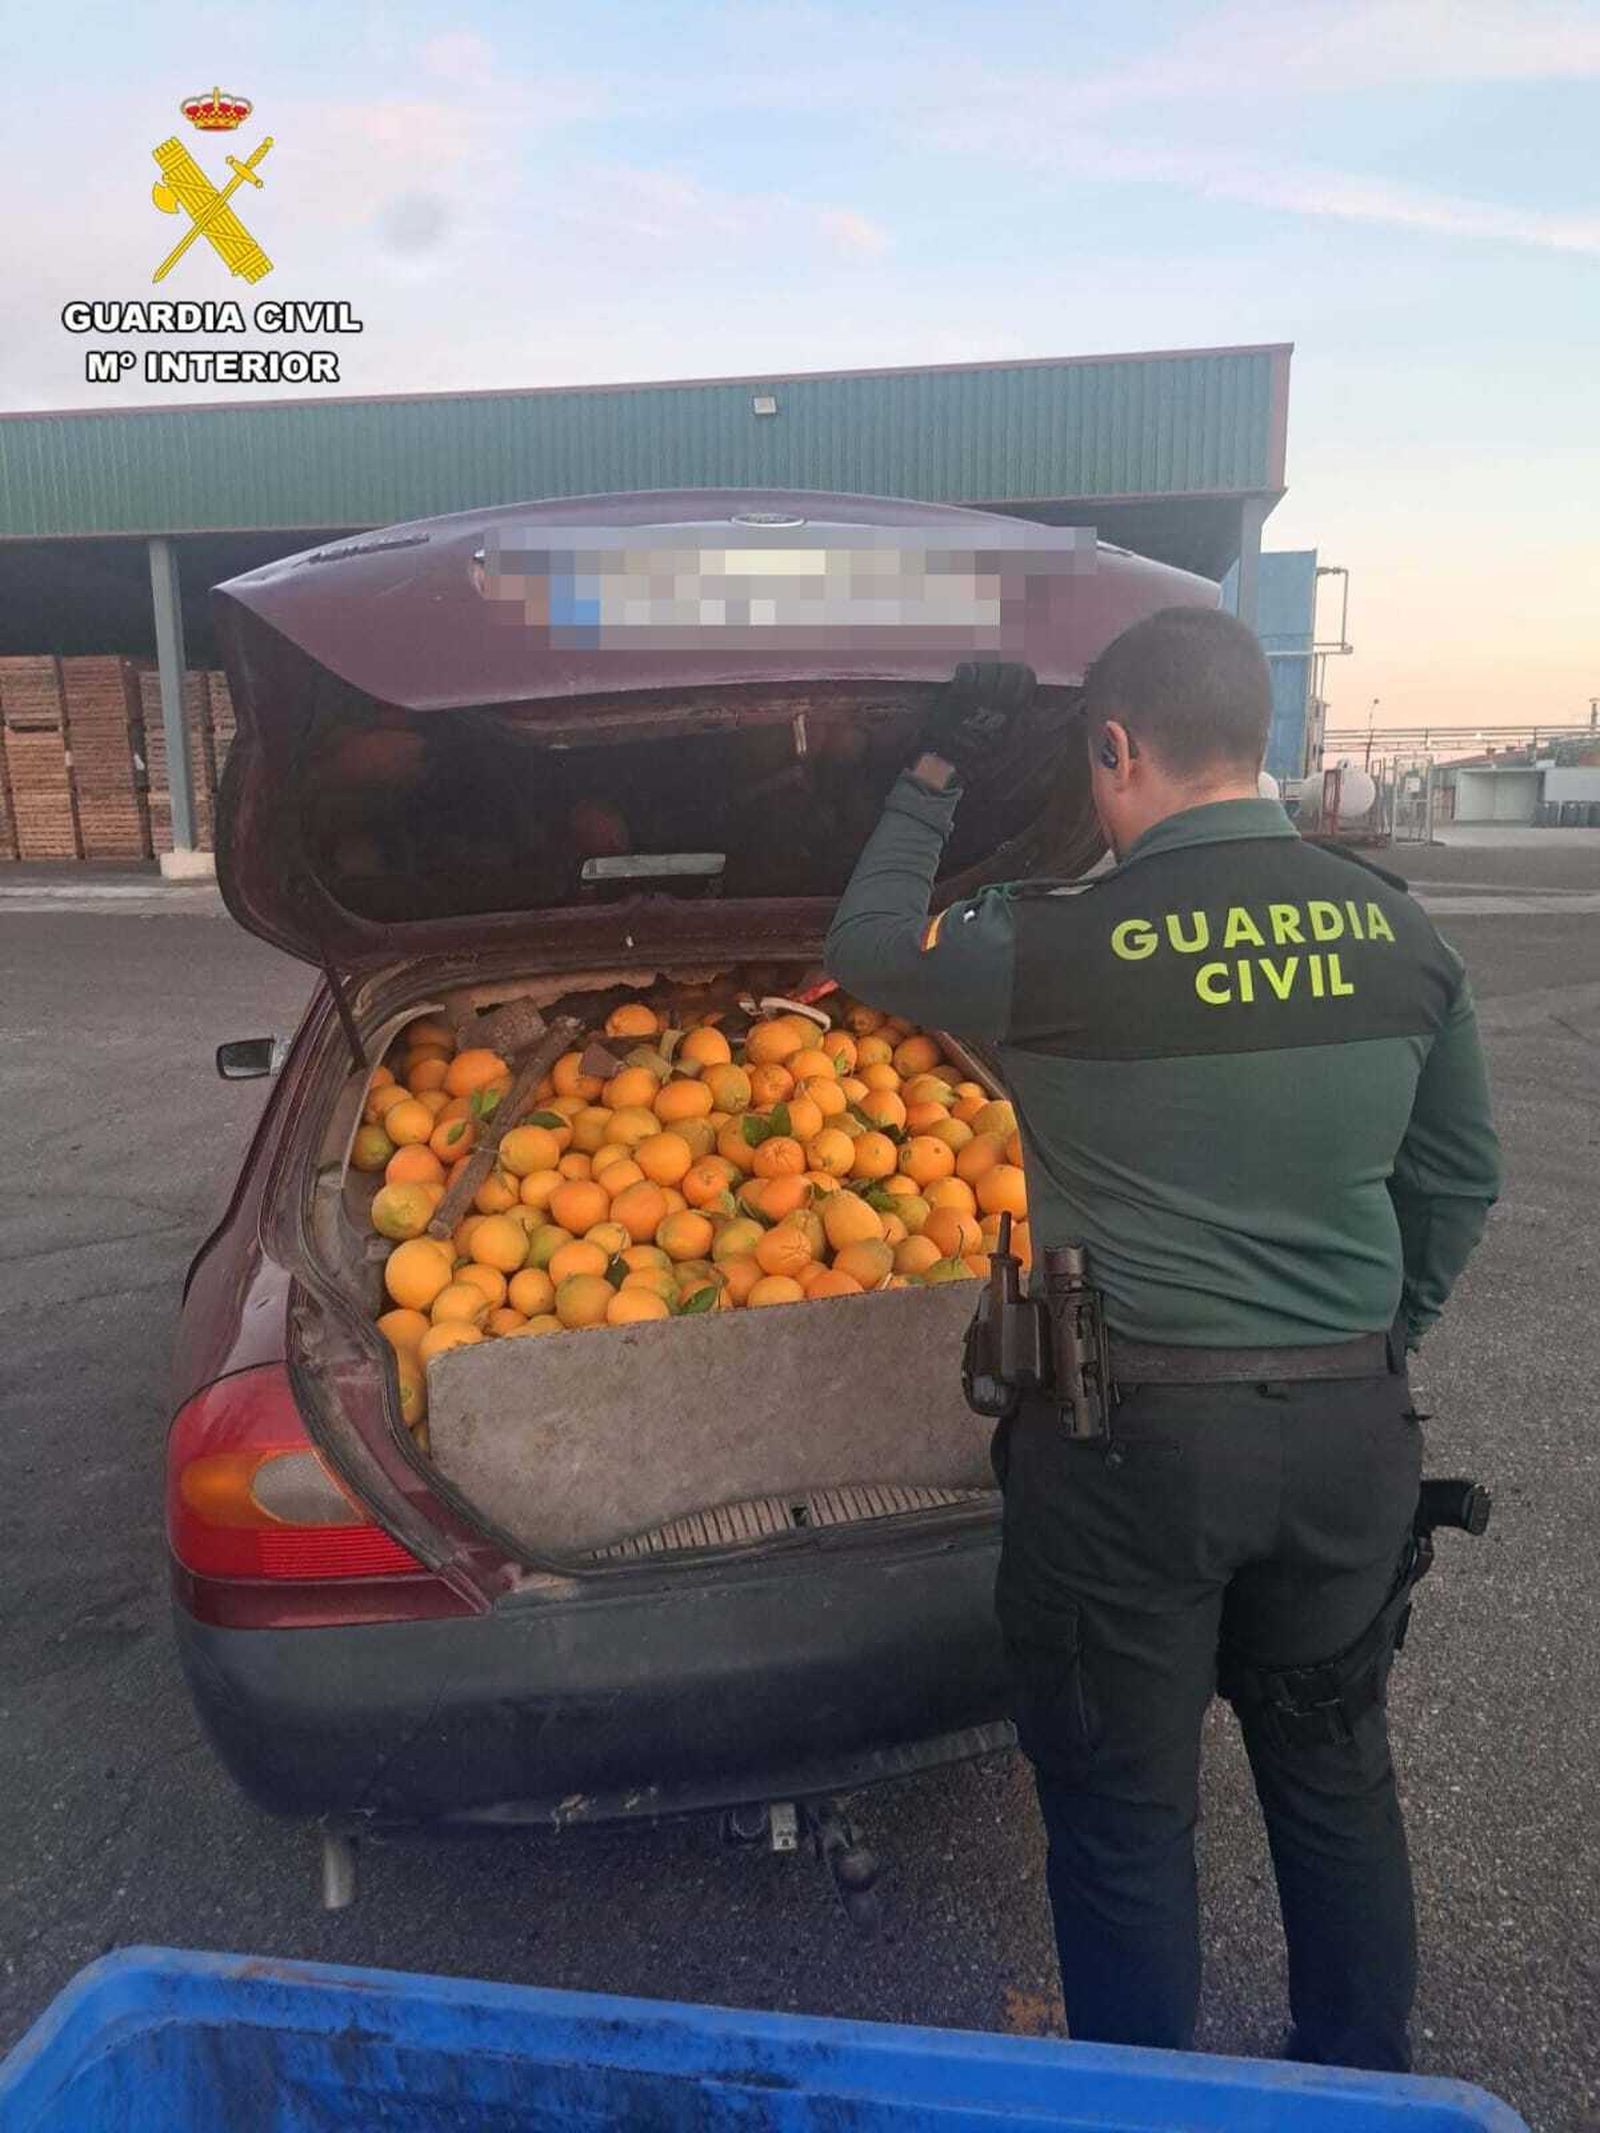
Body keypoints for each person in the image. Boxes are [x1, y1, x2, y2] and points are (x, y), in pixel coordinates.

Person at [823, 607, 1500, 2072]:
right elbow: (1459, 1179)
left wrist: (938, 762)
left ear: (1116, 749)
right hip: (1346, 1437)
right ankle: (1361, 2091)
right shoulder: (1400, 929)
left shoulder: (1058, 942)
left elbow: (866, 943)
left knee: (1125, 1811)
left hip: (1126, 1454)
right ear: (1253, 739)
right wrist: (1379, 1343)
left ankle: (1141, 2103)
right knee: (1332, 1773)